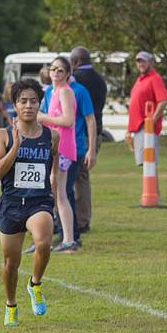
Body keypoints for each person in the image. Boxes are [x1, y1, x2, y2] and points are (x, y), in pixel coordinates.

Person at [0, 79, 59, 326]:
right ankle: (11, 304)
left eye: (33, 101)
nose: (28, 106)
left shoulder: (51, 136)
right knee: (11, 263)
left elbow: (54, 167)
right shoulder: (3, 135)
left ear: (40, 105)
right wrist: (15, 147)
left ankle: (35, 284)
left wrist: (55, 191)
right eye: (23, 101)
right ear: (15, 105)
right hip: (11, 202)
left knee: (43, 243)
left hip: (38, 201)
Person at [38, 57, 78, 253]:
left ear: (68, 74)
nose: (55, 73)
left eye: (60, 70)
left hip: (62, 148)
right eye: (53, 68)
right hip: (53, 145)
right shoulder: (51, 92)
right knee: (54, 194)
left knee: (60, 194)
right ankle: (62, 237)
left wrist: (43, 118)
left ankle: (69, 239)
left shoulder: (65, 92)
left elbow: (68, 120)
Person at [70, 47, 107, 235]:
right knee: (83, 177)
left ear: (75, 62)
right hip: (97, 132)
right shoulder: (100, 80)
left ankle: (79, 220)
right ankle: (83, 218)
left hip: (80, 133)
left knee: (75, 177)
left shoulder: (76, 80)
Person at [126, 52, 167, 183]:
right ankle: (151, 194)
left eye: (144, 61)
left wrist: (151, 122)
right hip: (137, 128)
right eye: (138, 61)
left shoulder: (155, 78)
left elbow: (163, 100)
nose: (141, 64)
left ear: (151, 62)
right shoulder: (140, 80)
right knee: (145, 163)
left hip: (147, 128)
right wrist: (129, 130)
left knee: (149, 162)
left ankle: (152, 195)